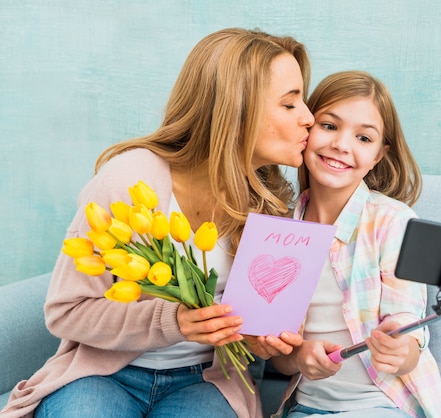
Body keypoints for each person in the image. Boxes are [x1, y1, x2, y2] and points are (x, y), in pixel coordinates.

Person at [0, 28, 313, 418]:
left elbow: (252, 333)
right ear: (235, 110)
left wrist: (259, 340)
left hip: (206, 381)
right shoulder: (130, 180)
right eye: (289, 104)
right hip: (106, 373)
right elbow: (66, 311)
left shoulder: (275, 206)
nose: (308, 118)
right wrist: (174, 321)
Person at [270, 71, 441, 417]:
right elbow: (278, 355)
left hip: (383, 405)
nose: (342, 145)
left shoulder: (393, 222)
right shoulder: (280, 230)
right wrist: (298, 356)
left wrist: (402, 350)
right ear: (306, 129)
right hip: (307, 408)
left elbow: (407, 325)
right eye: (329, 126)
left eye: (364, 138)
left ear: (379, 156)